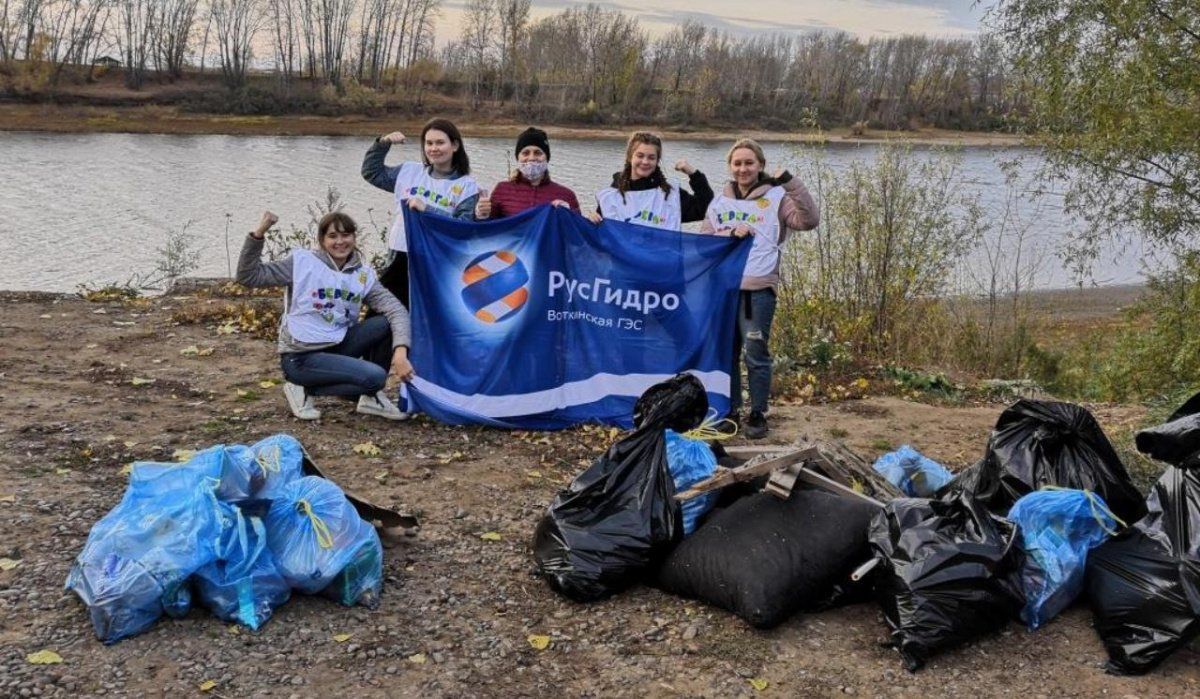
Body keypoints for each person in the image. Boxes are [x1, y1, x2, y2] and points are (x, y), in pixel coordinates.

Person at [237, 210, 414, 422]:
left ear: (354, 237)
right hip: (301, 356)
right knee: (375, 377)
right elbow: (249, 276)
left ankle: (370, 398)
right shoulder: (302, 263)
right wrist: (259, 232)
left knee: (384, 323)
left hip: (336, 345)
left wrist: (401, 351)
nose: (340, 242)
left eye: (346, 235)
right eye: (332, 236)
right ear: (322, 240)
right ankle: (301, 387)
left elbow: (395, 309)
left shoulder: (362, 274)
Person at [700, 138, 819, 439]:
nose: (743, 169)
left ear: (760, 165)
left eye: (749, 163)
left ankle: (758, 412)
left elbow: (809, 221)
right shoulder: (720, 201)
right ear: (730, 166)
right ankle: (730, 410)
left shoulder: (778, 197)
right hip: (724, 289)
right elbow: (704, 244)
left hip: (758, 289)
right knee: (726, 352)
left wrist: (791, 182)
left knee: (755, 351)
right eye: (737, 163)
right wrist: (730, 232)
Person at [362, 118, 480, 306]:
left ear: (455, 145)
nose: (434, 148)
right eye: (429, 143)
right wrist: (383, 143)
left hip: (436, 259)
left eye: (440, 142)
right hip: (400, 253)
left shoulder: (467, 186)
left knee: (425, 310)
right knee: (386, 310)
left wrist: (428, 210)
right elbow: (372, 173)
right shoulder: (409, 172)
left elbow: (463, 227)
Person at [586, 131, 713, 230]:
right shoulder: (612, 196)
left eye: (651, 157)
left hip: (661, 257)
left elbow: (706, 209)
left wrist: (694, 174)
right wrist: (592, 222)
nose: (645, 162)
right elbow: (600, 236)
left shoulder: (669, 195)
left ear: (657, 161)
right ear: (630, 157)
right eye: (640, 156)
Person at [476, 127, 580, 219]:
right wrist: (481, 214)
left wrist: (569, 216)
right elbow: (488, 228)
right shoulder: (502, 190)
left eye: (538, 153)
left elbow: (580, 231)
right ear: (518, 157)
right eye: (525, 153)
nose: (531, 158)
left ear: (547, 158)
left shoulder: (566, 195)